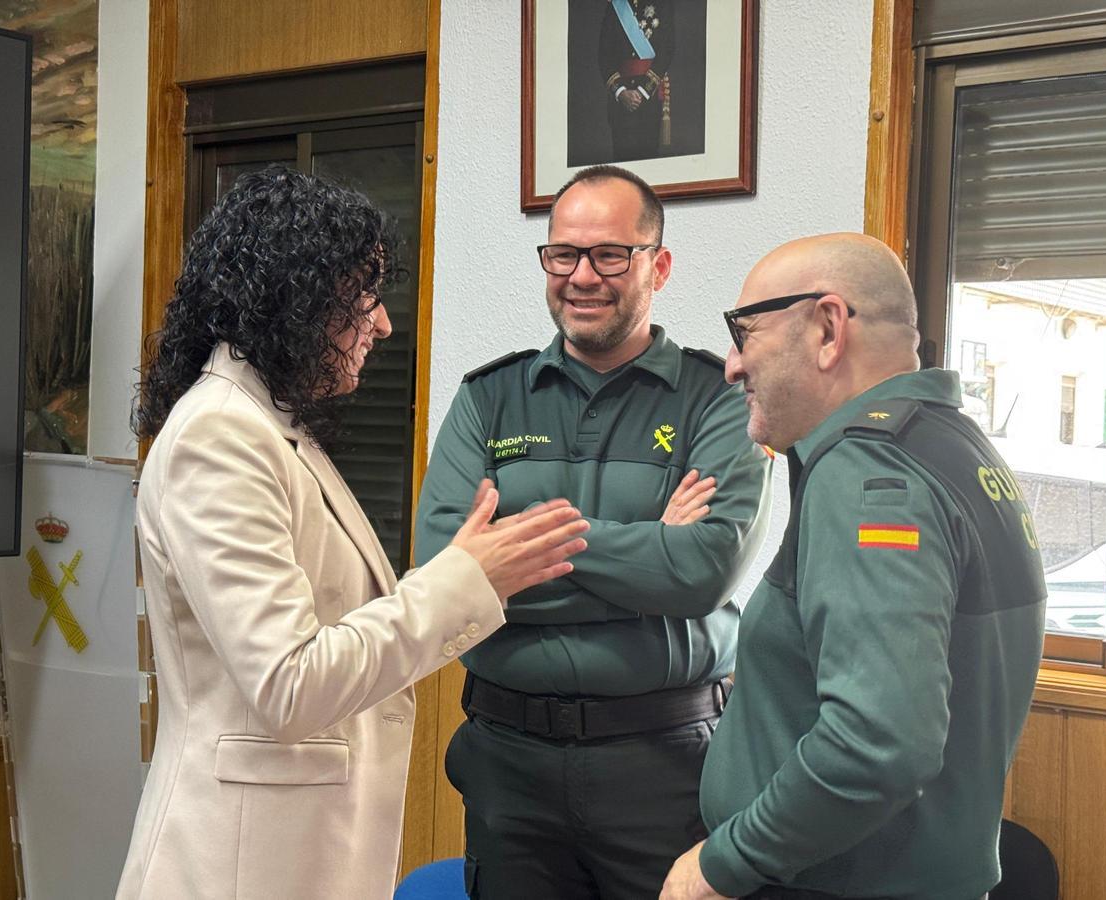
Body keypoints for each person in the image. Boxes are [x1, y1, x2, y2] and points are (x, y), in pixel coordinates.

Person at [116, 166, 588, 900]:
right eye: (366, 295)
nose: (384, 324)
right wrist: (465, 580)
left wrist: (465, 573)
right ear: (296, 295)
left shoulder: (270, 425)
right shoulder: (220, 437)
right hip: (237, 864)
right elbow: (289, 684)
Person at [415, 164, 771, 899]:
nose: (582, 276)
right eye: (564, 254)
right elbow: (444, 576)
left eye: (610, 255)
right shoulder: (488, 398)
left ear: (658, 267)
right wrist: (648, 550)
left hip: (665, 763)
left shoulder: (718, 398)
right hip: (508, 765)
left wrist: (515, 547)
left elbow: (701, 571)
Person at [660, 234, 1046, 900]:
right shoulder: (952, 447)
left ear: (828, 329)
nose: (731, 365)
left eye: (744, 333)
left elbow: (879, 742)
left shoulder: (867, 472)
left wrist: (723, 863)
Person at [598, 0, 674, 162]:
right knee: (622, 162)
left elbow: (667, 50)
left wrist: (643, 91)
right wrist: (621, 92)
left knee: (648, 160)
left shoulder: (663, 4)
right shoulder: (616, 6)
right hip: (620, 101)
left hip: (649, 98)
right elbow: (604, 56)